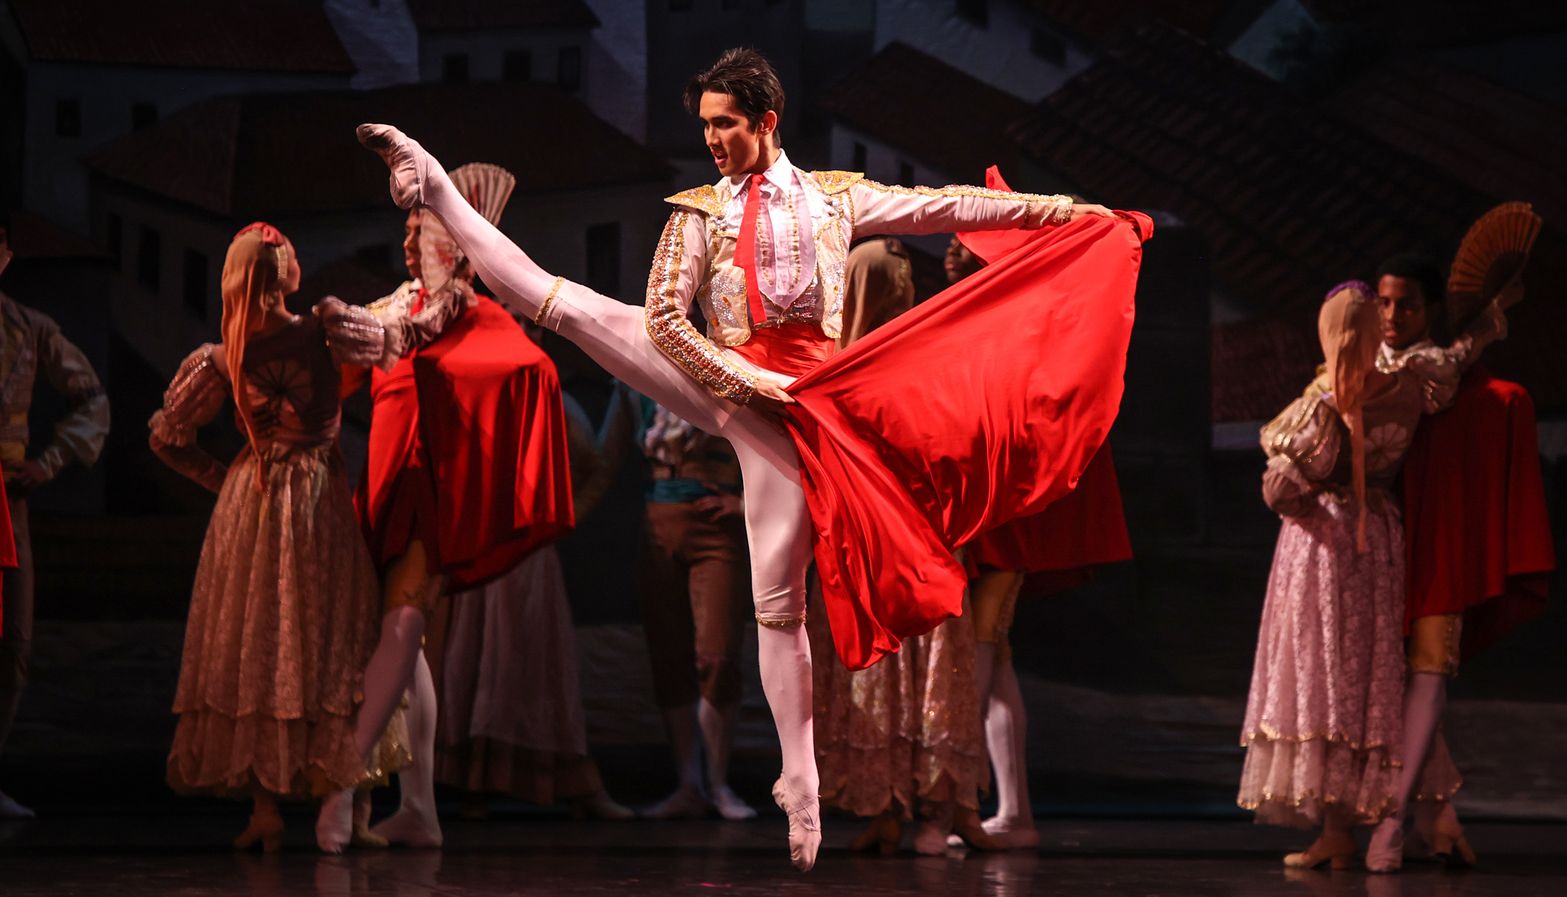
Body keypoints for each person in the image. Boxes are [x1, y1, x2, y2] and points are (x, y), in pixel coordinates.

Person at [355, 46, 1137, 869]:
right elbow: (662, 318)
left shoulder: (837, 198)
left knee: (780, 601)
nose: (713, 140)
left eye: (725, 125)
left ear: (766, 121)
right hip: (735, 388)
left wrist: (1064, 212)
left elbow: (945, 206)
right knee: (564, 302)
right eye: (704, 127)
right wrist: (746, 383)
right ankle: (434, 178)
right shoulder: (698, 212)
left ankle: (799, 781)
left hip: (811, 412)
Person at [343, 163, 574, 848]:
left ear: (455, 243)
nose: (409, 247)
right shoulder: (397, 306)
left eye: (422, 233)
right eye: (407, 234)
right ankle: (420, 807)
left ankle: (341, 784)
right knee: (406, 649)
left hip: (430, 498)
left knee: (405, 624)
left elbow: (533, 372)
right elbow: (348, 366)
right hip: (385, 489)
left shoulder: (475, 315)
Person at [1237, 281, 1504, 872]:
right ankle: (1386, 823)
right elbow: (1452, 364)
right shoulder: (1409, 383)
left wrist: (1300, 499)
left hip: (1327, 546)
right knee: (1365, 683)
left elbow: (1280, 489)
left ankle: (1336, 830)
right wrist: (1480, 332)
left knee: (1327, 679)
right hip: (1378, 539)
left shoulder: (1328, 401)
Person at [148, 223, 395, 853]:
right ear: (282, 272)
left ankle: (267, 809)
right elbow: (389, 348)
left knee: (264, 638)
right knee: (333, 634)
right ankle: (353, 800)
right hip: (312, 498)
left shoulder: (222, 354)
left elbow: (167, 436)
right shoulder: (324, 328)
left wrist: (221, 482)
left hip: (251, 502)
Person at [933, 231, 1133, 851]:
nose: (948, 253)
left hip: (1006, 516)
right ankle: (1011, 811)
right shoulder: (990, 320)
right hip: (991, 513)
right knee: (993, 667)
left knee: (981, 659)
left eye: (962, 246)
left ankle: (966, 804)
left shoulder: (1014, 322)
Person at [1364, 254, 1554, 870]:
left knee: (1425, 675)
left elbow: (1442, 369)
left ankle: (1393, 820)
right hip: (1373, 546)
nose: (1392, 316)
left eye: (1408, 306)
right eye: (1385, 303)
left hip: (1429, 542)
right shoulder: (1371, 363)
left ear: (1430, 312)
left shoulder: (1433, 372)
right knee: (1374, 683)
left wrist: (1489, 322)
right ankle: (1431, 814)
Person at [810, 238, 998, 856]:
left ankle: (943, 808)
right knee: (909, 676)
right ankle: (897, 807)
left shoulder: (888, 361)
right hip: (887, 544)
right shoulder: (842, 368)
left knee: (925, 676)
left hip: (906, 542)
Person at [431, 389, 630, 820]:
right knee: (478, 660)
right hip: (479, 542)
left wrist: (564, 515)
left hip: (527, 547)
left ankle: (572, 783)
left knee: (535, 664)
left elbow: (595, 463)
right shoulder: (470, 387)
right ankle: (473, 784)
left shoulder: (545, 388)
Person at [600, 385, 757, 822]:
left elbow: (775, 447)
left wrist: (744, 503)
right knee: (669, 655)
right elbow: (605, 456)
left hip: (714, 525)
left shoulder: (726, 366)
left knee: (718, 655)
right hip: (658, 521)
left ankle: (718, 783)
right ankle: (689, 783)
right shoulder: (634, 377)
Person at [0, 227, 110, 819]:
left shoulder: (30, 328)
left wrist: (49, 461)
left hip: (6, 501)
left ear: (6, 256)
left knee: (12, 641)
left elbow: (92, 398)